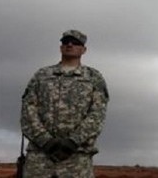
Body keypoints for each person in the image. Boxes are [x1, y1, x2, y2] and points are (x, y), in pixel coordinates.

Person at [21, 30, 109, 178]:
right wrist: (46, 141)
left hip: (77, 159)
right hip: (40, 159)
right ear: (61, 47)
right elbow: (28, 110)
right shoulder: (42, 75)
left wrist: (73, 142)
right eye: (66, 41)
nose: (70, 44)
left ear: (83, 50)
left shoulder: (94, 77)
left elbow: (97, 114)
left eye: (75, 43)